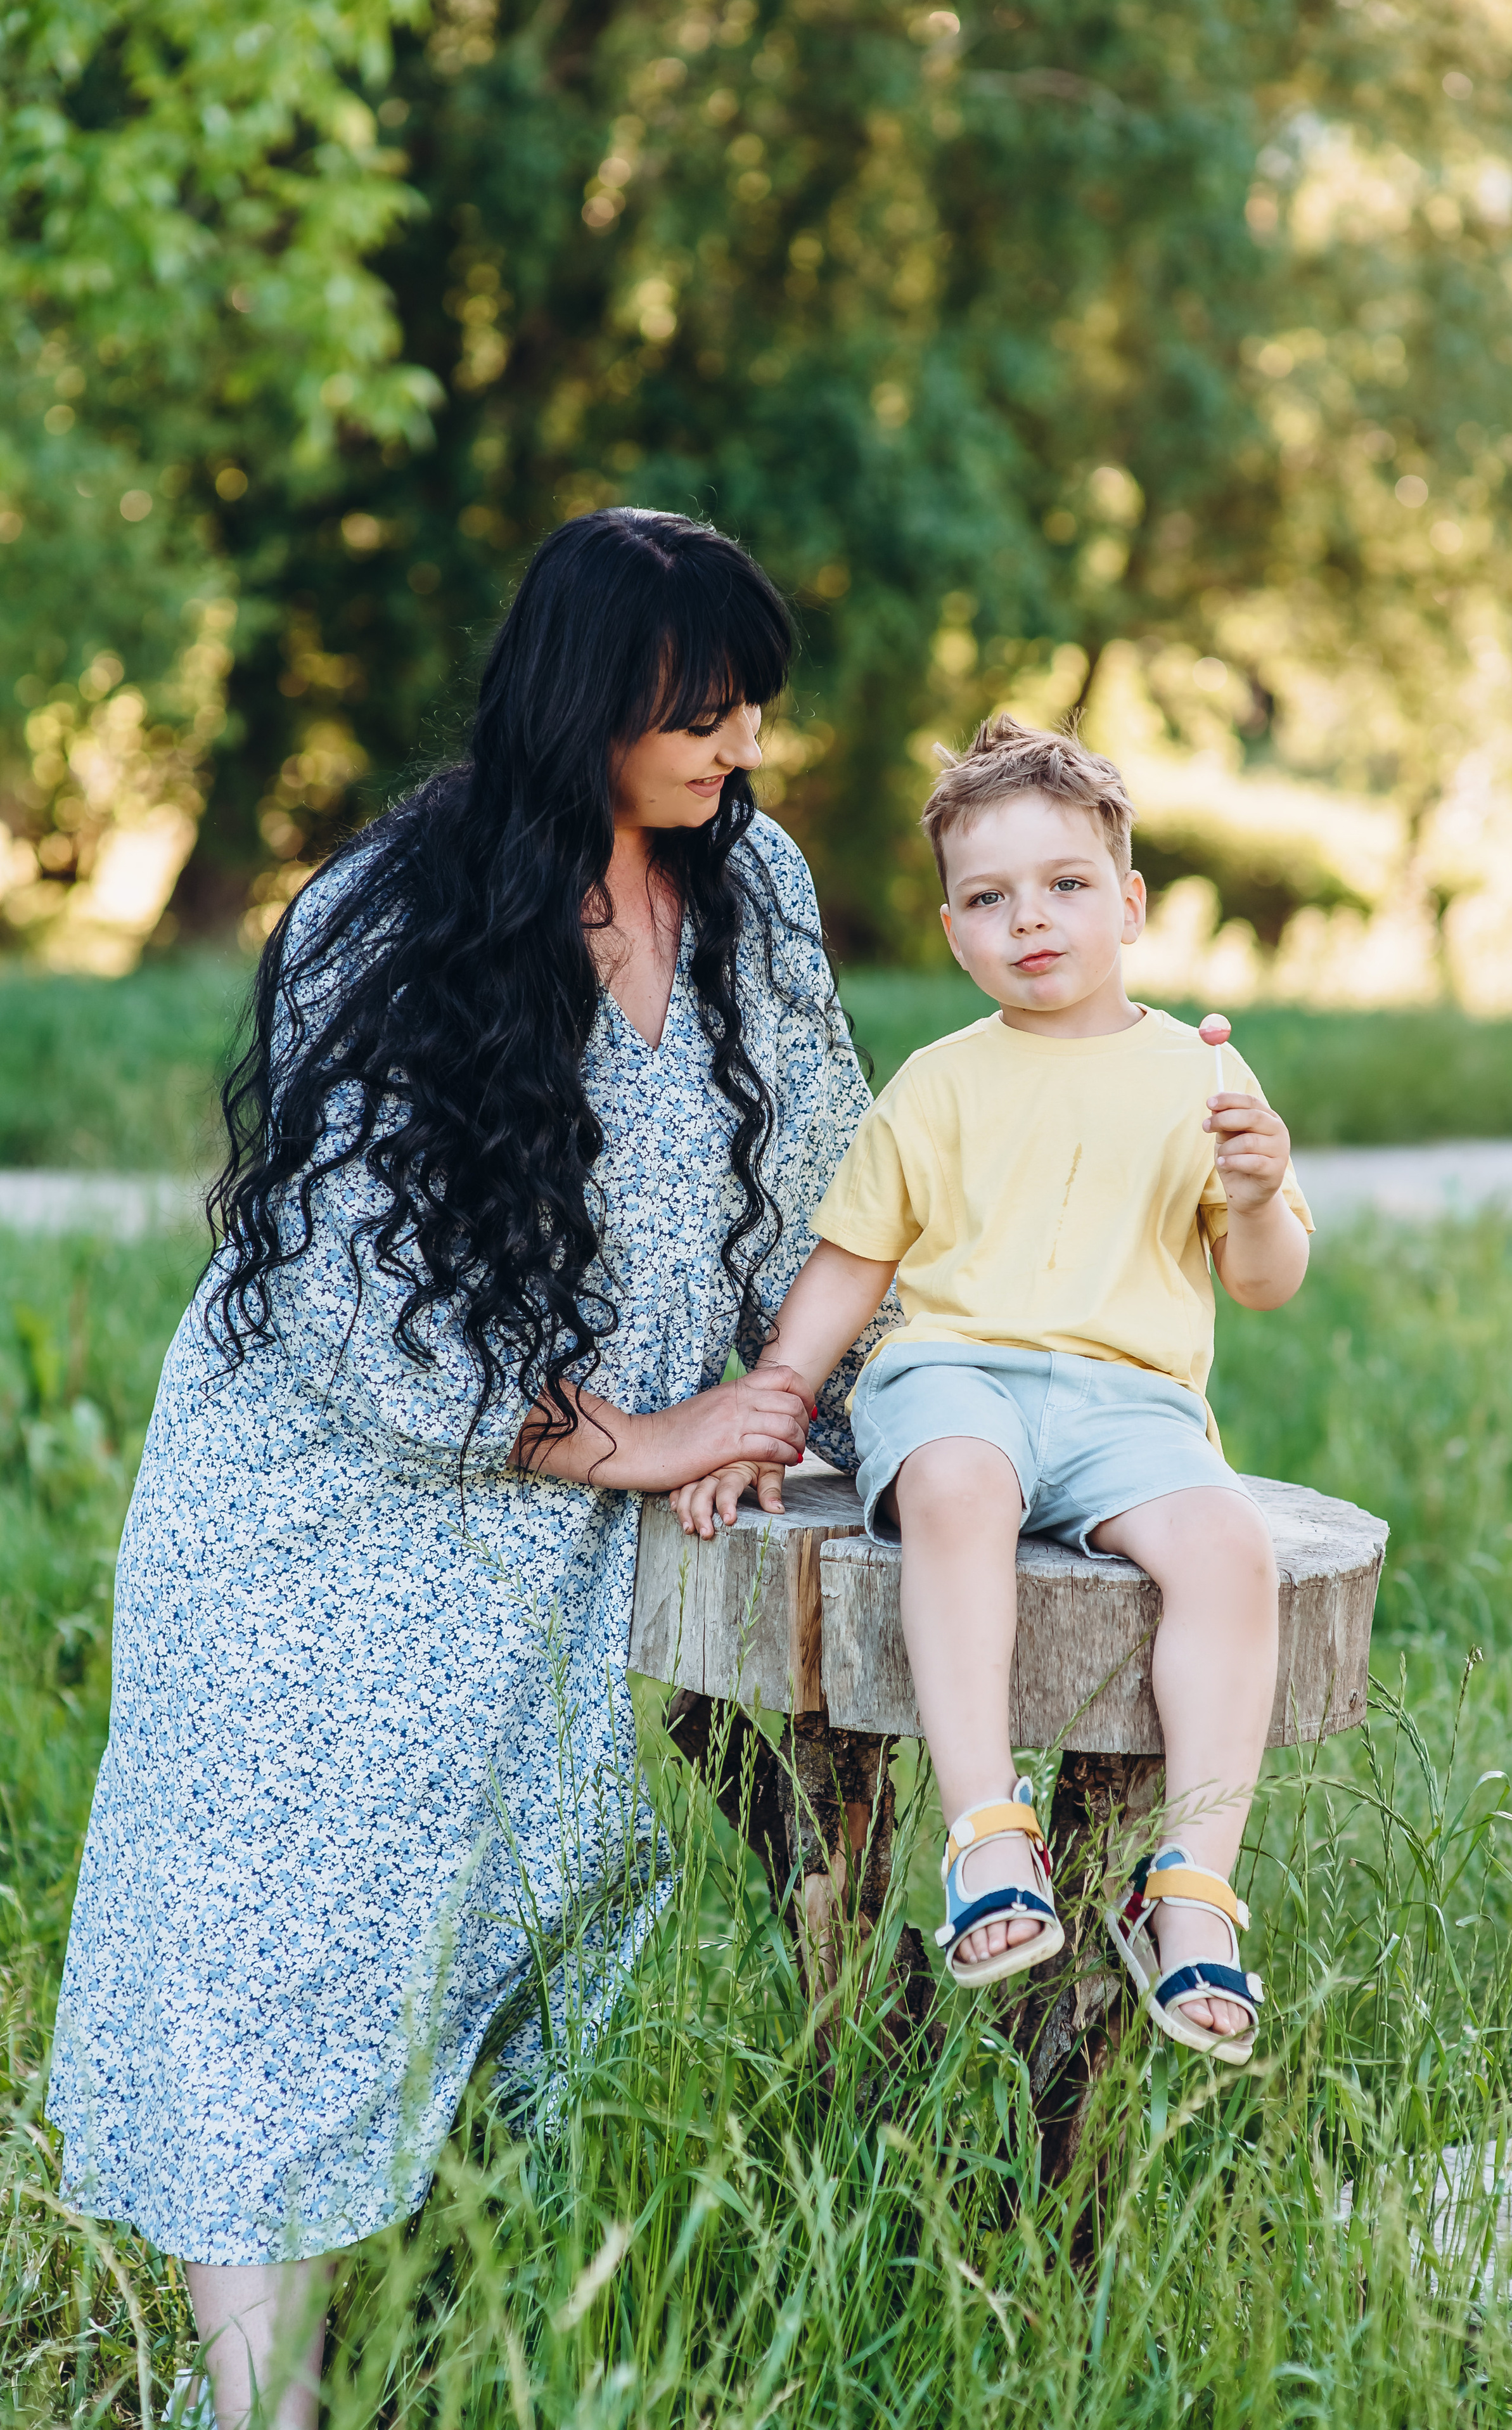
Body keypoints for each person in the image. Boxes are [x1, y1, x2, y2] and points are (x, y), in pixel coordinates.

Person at [46, 509, 889, 2429]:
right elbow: (351, 1297)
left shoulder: (754, 880)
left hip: (556, 1545)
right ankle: (262, 2403)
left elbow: (838, 1178)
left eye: (753, 701)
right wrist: (642, 1436)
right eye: (696, 705)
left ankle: (455, 2352)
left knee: (512, 1941)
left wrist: (851, 1398)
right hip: (332, 1517)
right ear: (582, 694)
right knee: (283, 1949)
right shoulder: (400, 906)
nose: (738, 742)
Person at [673, 714, 1313, 2060]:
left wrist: (1254, 1193)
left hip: (1127, 1406)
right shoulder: (937, 1083)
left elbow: (1263, 1278)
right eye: (988, 899)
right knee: (956, 1483)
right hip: (951, 1375)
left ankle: (1188, 1888)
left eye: (1066, 887)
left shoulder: (1200, 1075)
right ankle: (987, 1831)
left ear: (1128, 903)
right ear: (955, 931)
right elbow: (853, 1267)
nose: (1031, 921)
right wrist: (777, 1392)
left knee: (1227, 1549)